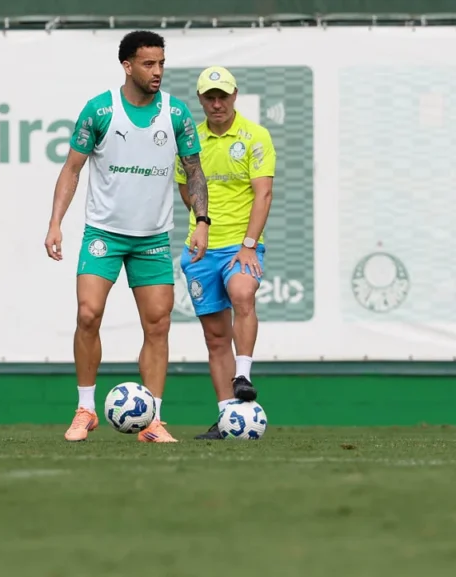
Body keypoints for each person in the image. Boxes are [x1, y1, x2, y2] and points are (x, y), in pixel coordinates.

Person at [43, 30, 210, 443]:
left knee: (158, 324)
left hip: (152, 238)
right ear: (127, 65)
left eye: (161, 63)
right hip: (104, 233)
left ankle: (153, 421)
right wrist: (55, 222)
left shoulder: (176, 114)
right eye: (149, 64)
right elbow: (72, 169)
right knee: (88, 314)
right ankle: (85, 409)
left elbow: (194, 171)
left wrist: (202, 221)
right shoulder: (100, 111)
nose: (157, 71)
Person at [174, 66, 276, 440]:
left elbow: (263, 193)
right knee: (216, 339)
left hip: (240, 245)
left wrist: (249, 244)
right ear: (200, 99)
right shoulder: (191, 140)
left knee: (242, 293)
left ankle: (243, 376)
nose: (217, 103)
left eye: (223, 96)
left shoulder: (255, 136)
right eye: (210, 97)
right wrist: (202, 223)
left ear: (234, 95)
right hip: (202, 249)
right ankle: (226, 418)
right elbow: (186, 189)